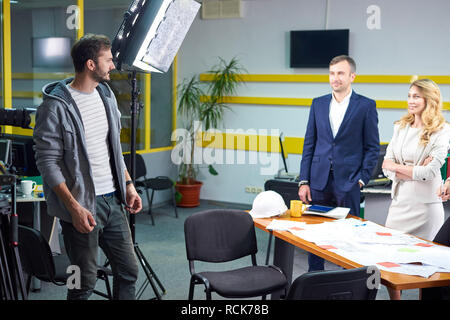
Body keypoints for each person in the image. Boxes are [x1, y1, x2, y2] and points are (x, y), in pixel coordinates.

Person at [33, 34, 142, 300]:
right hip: (81, 207)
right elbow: (47, 161)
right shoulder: (54, 106)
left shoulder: (106, 96)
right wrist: (73, 208)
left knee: (128, 271)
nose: (113, 66)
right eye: (109, 60)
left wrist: (128, 185)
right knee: (82, 283)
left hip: (114, 202)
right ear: (91, 64)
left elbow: (113, 150)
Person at [298, 55, 380, 271]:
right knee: (316, 233)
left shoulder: (366, 106)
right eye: (332, 73)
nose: (335, 78)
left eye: (341, 73)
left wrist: (361, 179)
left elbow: (372, 147)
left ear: (352, 76)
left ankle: (349, 279)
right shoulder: (318, 103)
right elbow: (309, 144)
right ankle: (314, 276)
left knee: (350, 235)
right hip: (318, 180)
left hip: (349, 181)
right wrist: (303, 180)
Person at [382, 78, 450, 300]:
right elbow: (386, 166)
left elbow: (430, 172)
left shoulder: (442, 130)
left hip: (427, 208)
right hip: (400, 203)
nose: (410, 101)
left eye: (416, 96)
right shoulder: (400, 127)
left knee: (428, 265)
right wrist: (409, 170)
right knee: (390, 261)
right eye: (409, 95)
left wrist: (398, 168)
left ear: (429, 99)